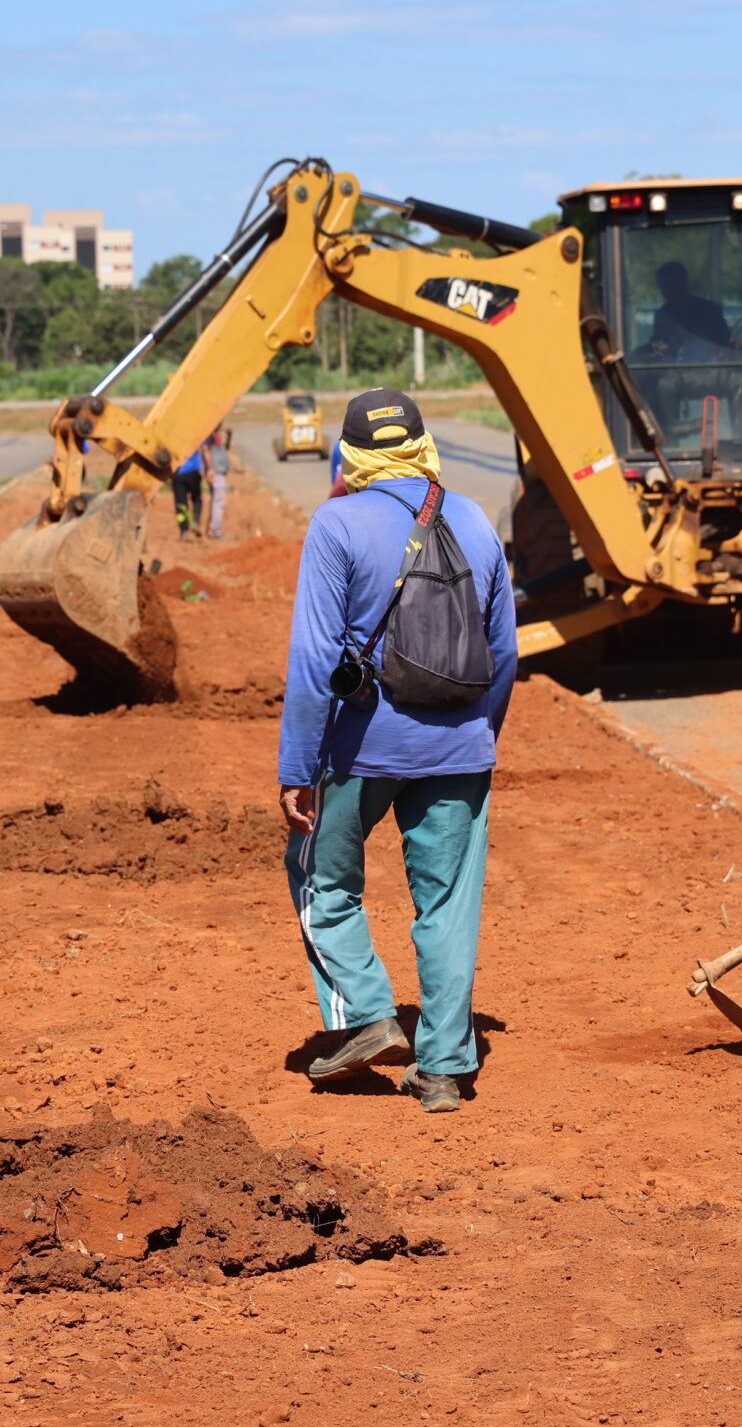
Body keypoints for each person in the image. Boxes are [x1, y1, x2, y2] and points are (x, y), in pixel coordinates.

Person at [278, 389, 519, 1114]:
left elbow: (316, 656)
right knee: (446, 905)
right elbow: (503, 650)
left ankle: (369, 1015)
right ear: (422, 443)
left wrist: (297, 769)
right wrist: (480, 733)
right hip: (462, 747)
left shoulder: (337, 522)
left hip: (360, 747)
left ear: (349, 453)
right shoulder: (474, 519)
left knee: (321, 879)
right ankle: (443, 1069)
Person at [648, 261, 734, 362]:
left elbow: (724, 341)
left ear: (683, 282)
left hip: (710, 369)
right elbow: (659, 342)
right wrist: (660, 346)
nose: (665, 292)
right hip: (672, 370)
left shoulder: (709, 310)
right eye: (662, 287)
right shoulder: (663, 314)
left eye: (670, 286)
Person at [204, 426, 233, 539]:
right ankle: (216, 531)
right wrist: (210, 469)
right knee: (218, 501)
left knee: (217, 500)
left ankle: (213, 529)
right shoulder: (210, 436)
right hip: (216, 473)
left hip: (219, 472)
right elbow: (205, 450)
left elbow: (226, 448)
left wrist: (229, 436)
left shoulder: (216, 436)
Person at [171, 447, 205, 540]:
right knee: (197, 499)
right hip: (193, 472)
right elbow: (204, 450)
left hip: (177, 473)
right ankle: (195, 522)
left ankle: (184, 531)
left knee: (181, 504)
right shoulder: (194, 435)